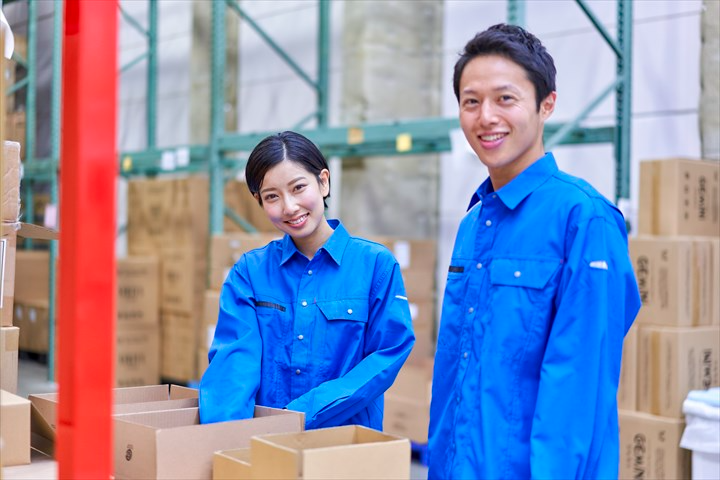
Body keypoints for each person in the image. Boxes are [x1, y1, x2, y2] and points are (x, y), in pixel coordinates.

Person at [427, 24, 641, 478]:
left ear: (547, 105)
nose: (485, 117)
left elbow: (578, 386)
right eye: (471, 101)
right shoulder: (473, 223)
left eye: (505, 98)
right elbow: (458, 371)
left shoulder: (584, 220)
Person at [199, 131, 415, 430]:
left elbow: (387, 353)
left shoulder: (374, 266)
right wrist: (225, 438)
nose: (289, 207)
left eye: (298, 187)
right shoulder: (250, 272)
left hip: (343, 445)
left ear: (323, 181)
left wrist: (301, 414)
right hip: (265, 444)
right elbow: (233, 365)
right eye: (272, 196)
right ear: (259, 201)